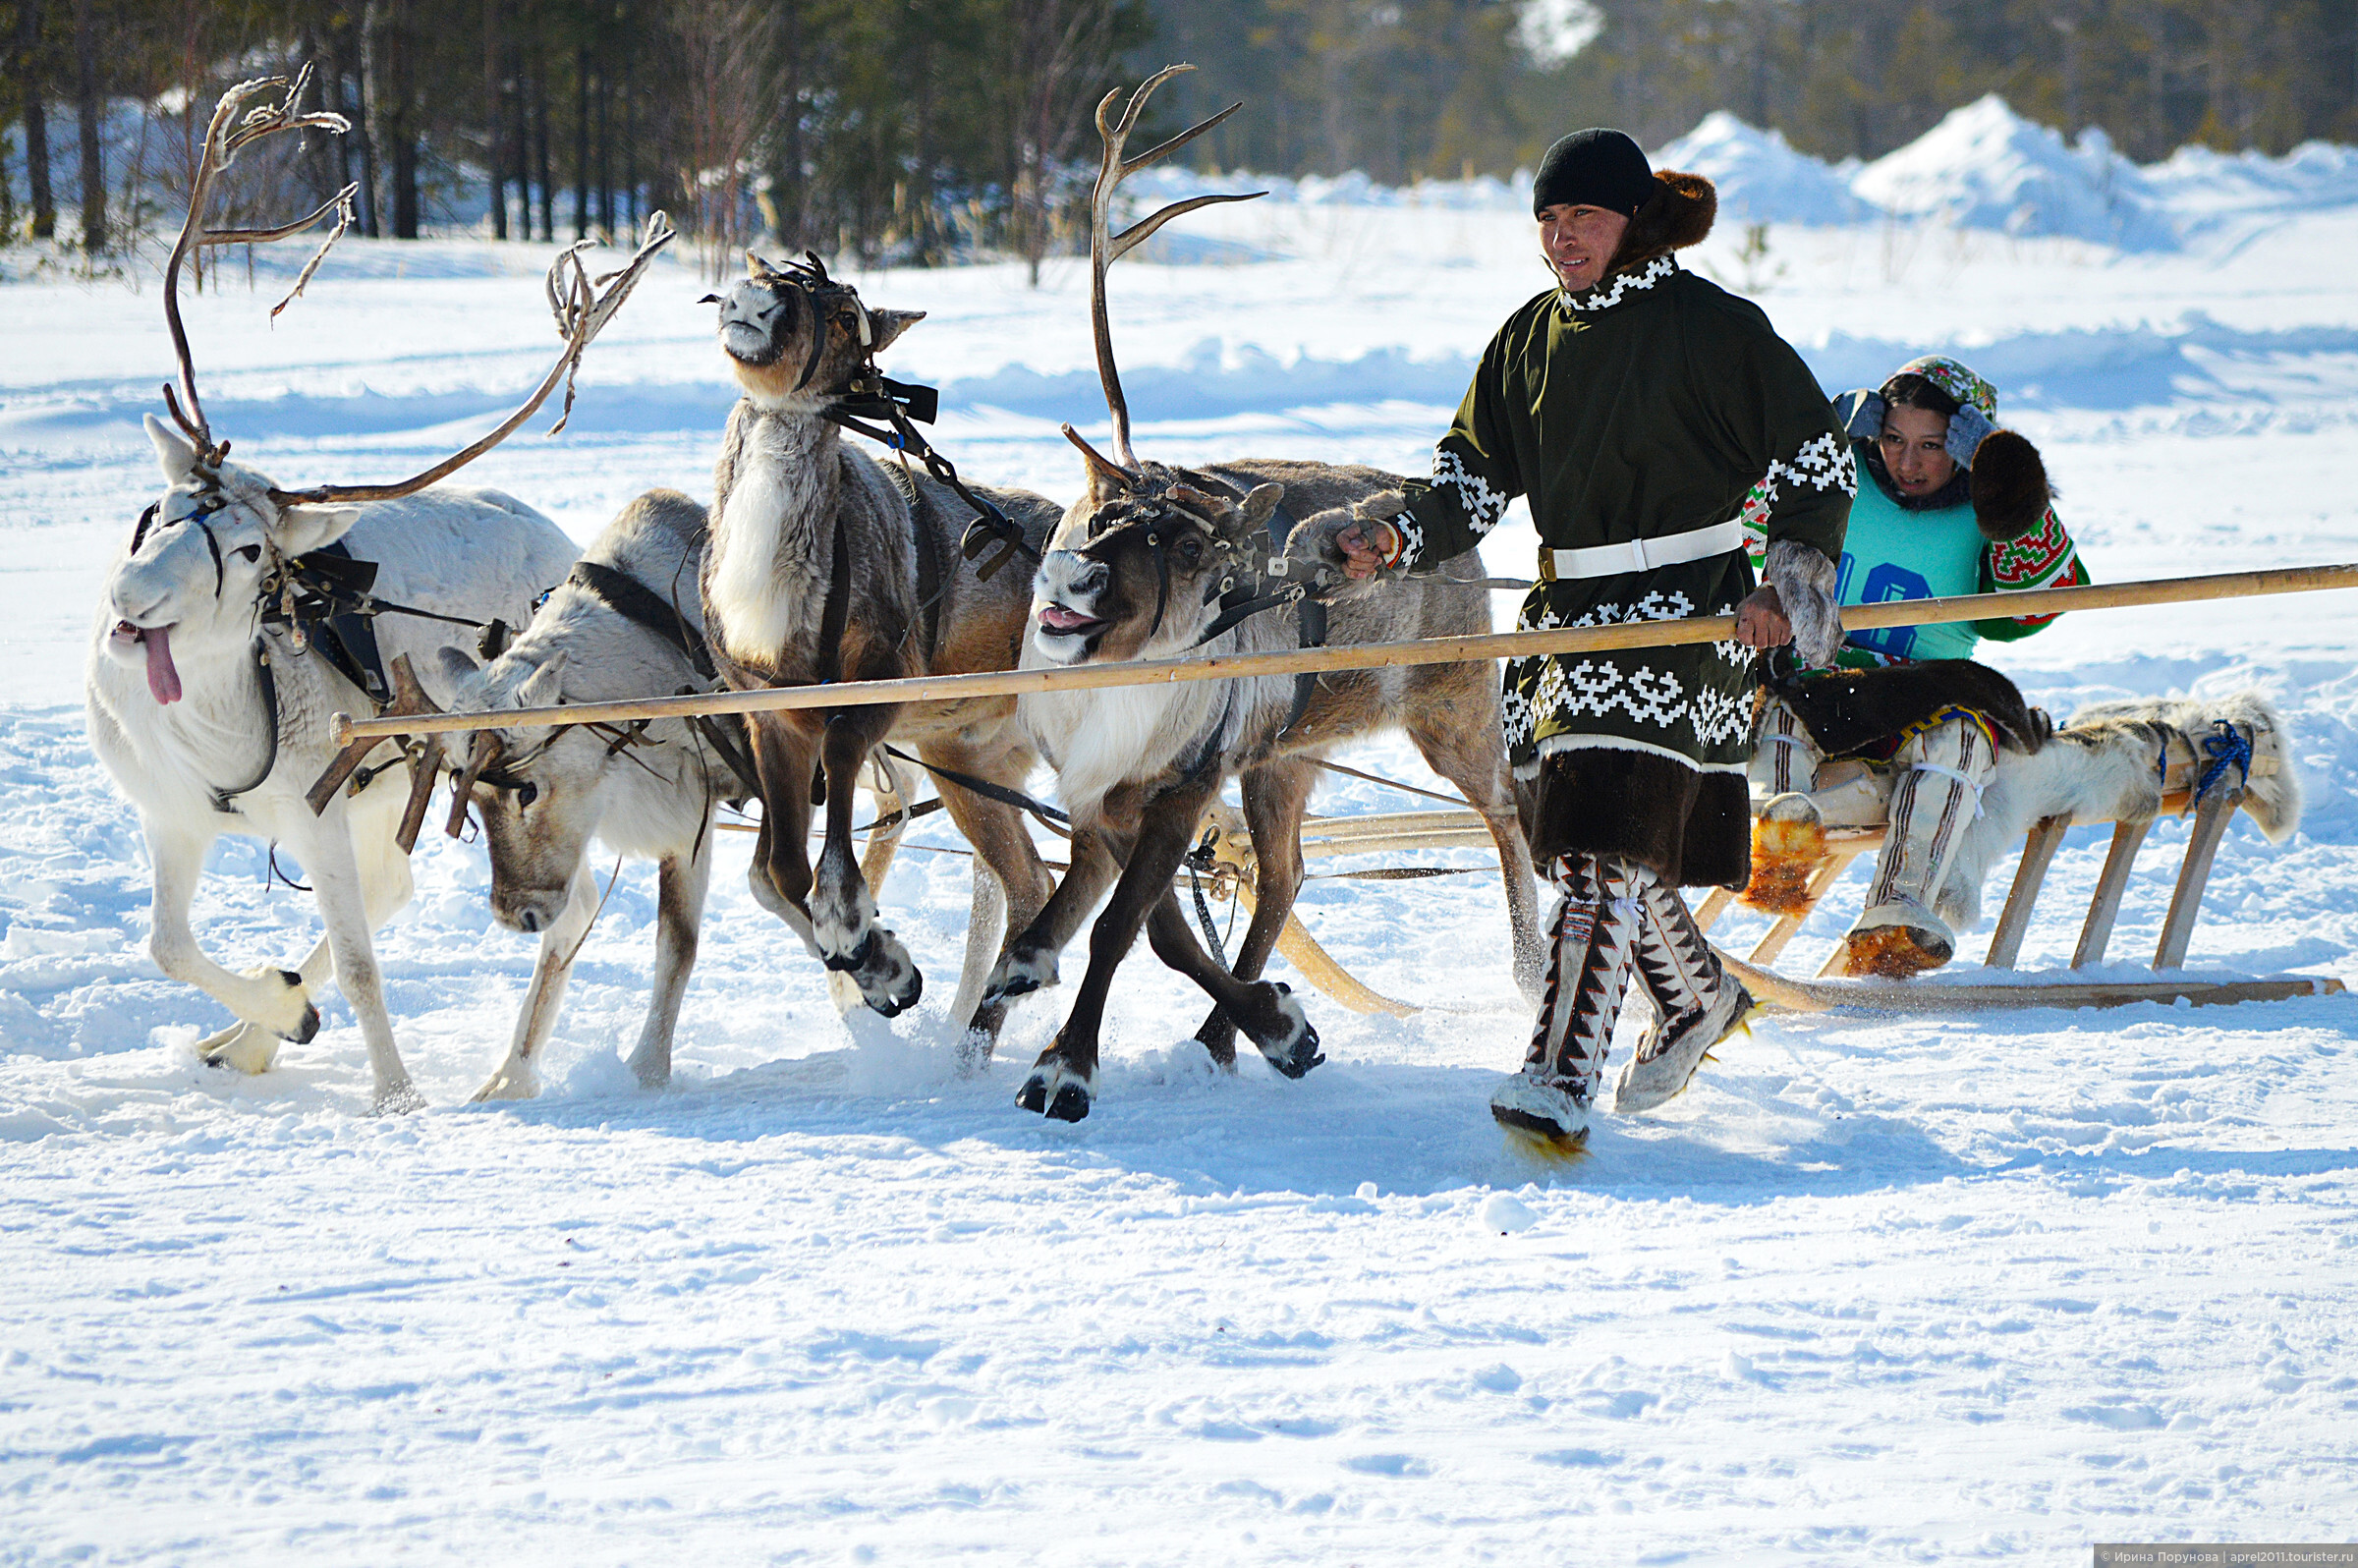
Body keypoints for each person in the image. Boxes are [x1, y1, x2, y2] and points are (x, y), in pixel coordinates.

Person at [1326, 128, 1852, 1148]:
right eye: (1551, 221)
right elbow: (1470, 481)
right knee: (1588, 851)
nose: (1565, 239)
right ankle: (1697, 1001)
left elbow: (1814, 463)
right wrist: (1397, 533)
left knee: (1607, 846)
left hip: (1693, 614)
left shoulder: (1713, 328)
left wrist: (1790, 580)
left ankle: (1558, 1076)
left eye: (1586, 219)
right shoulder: (1527, 339)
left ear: (1634, 221)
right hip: (1567, 625)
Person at [1743, 356, 2088, 977]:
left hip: (1927, 693)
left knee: (1962, 741)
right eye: (1894, 439)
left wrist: (2003, 475)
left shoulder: (1988, 518)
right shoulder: (1839, 479)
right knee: (1781, 712)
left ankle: (1900, 912)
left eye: (1932, 446)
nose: (1908, 462)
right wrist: (1818, 438)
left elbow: (2041, 598)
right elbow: (1744, 525)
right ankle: (1780, 829)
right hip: (1820, 677)